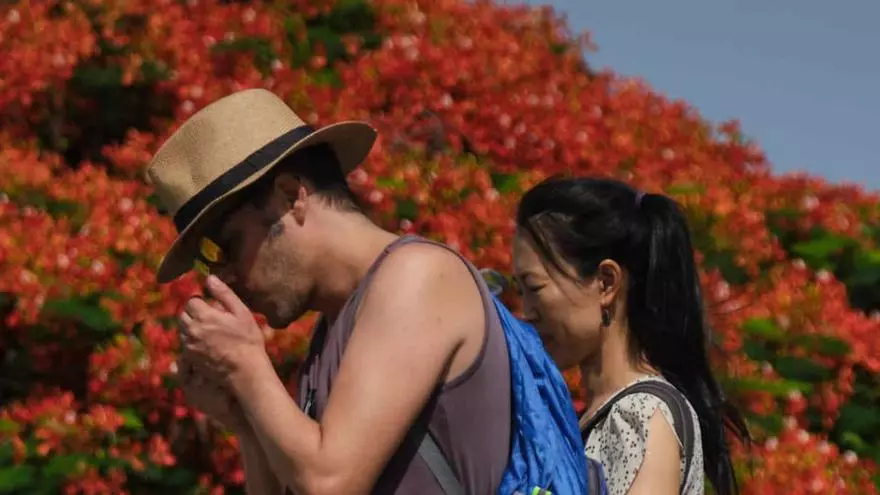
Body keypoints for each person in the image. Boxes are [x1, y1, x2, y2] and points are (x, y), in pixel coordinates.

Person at [148, 88, 512, 494]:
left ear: (291, 196)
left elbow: (331, 484)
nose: (221, 278)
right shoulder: (333, 330)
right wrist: (245, 422)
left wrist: (244, 364)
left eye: (223, 247)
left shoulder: (418, 277)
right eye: (206, 261)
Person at [510, 176, 750, 495]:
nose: (526, 311)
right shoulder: (602, 417)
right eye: (520, 291)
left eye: (535, 288)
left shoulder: (640, 415)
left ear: (606, 283)